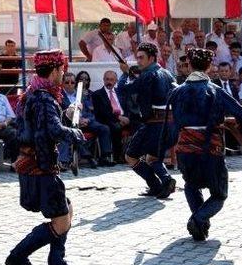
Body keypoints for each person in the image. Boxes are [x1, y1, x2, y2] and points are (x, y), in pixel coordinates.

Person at [5, 49, 83, 265]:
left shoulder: (32, 93)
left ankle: (57, 260)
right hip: (40, 166)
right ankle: (17, 255)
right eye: (62, 69)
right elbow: (53, 130)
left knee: (66, 208)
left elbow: (43, 125)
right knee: (60, 221)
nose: (63, 73)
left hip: (33, 164)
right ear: (55, 70)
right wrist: (76, 134)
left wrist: (66, 115)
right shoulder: (45, 98)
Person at [161, 48, 242, 241]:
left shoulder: (176, 91)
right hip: (211, 148)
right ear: (209, 67)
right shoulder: (216, 91)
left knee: (191, 185)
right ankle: (199, 218)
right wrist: (239, 130)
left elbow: (172, 125)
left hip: (185, 147)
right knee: (219, 193)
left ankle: (200, 227)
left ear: (190, 66)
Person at [118, 43, 177, 199]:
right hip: (170, 124)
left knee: (131, 156)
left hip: (154, 125)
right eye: (137, 57)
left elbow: (124, 89)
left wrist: (124, 74)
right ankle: (157, 186)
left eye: (141, 58)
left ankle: (165, 180)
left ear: (151, 58)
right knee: (152, 157)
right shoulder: (168, 74)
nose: (138, 61)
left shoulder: (148, 75)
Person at [59, 73, 112, 169]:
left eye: (72, 82)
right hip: (71, 123)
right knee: (75, 134)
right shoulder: (60, 96)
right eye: (67, 82)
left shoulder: (81, 95)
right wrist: (77, 120)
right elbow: (61, 114)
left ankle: (105, 156)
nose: (70, 84)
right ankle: (88, 156)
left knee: (104, 128)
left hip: (86, 121)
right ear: (62, 83)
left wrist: (87, 119)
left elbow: (90, 110)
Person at [93, 71, 130, 165]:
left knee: (140, 125)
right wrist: (119, 118)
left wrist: (127, 118)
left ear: (116, 81)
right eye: (107, 79)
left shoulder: (121, 92)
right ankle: (118, 156)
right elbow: (102, 112)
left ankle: (136, 154)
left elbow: (128, 107)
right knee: (116, 127)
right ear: (104, 80)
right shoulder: (97, 94)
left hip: (124, 119)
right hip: (107, 120)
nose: (109, 82)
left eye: (112, 80)